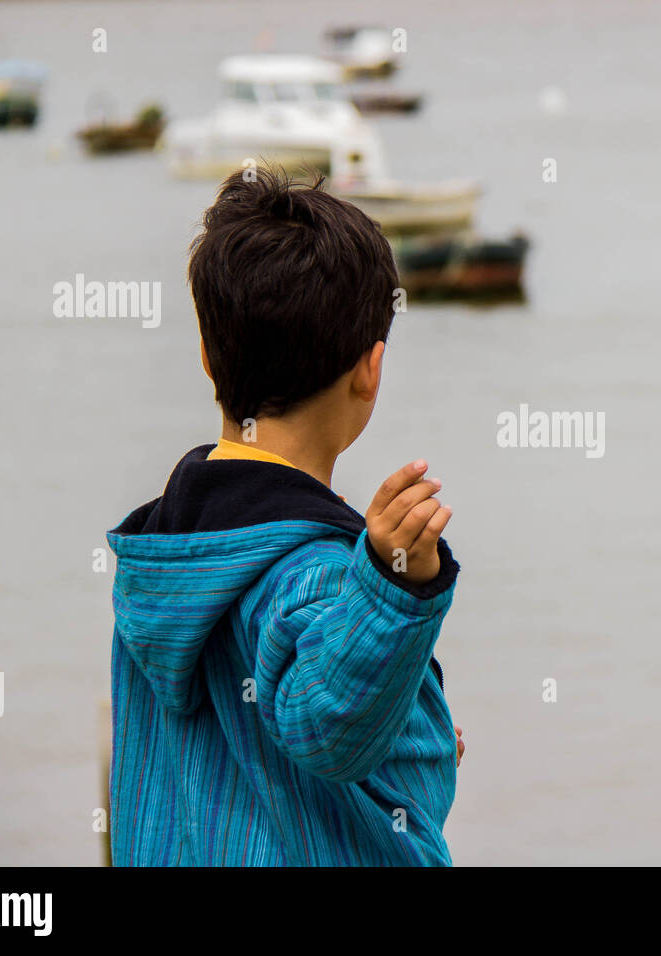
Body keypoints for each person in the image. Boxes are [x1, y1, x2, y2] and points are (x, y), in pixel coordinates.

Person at [105, 165, 462, 865]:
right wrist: (396, 593)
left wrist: (416, 737)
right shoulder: (319, 575)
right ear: (371, 369)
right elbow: (326, 727)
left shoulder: (161, 565)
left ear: (209, 358)